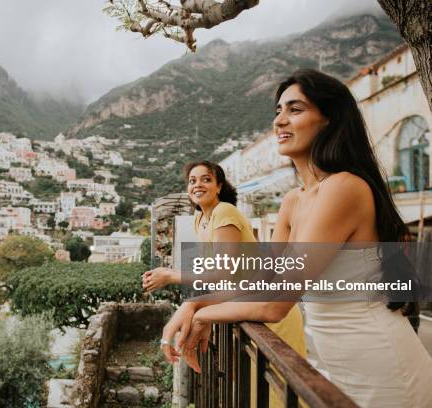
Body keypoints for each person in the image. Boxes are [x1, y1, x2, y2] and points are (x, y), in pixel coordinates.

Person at [162, 69, 432, 407]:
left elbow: (274, 304)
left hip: (383, 368)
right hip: (331, 367)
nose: (280, 121)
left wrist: (202, 315)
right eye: (278, 111)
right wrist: (194, 302)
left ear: (329, 120)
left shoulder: (344, 188)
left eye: (295, 109)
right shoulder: (293, 201)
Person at [143, 160, 305, 407]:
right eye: (192, 180)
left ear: (219, 186)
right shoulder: (201, 219)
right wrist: (202, 308)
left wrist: (171, 276)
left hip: (269, 311)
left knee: (279, 395)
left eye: (206, 179)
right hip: (243, 305)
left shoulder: (224, 212)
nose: (198, 184)